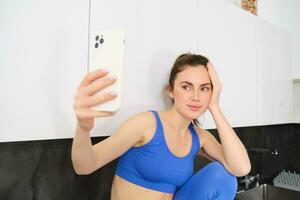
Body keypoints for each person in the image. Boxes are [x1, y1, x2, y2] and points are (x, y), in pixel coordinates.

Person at [71, 53, 251, 200]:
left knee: (222, 175)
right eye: (186, 87)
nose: (196, 97)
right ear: (170, 90)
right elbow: (85, 165)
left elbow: (241, 168)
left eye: (204, 88)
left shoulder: (199, 137)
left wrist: (215, 107)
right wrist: (83, 128)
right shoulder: (146, 124)